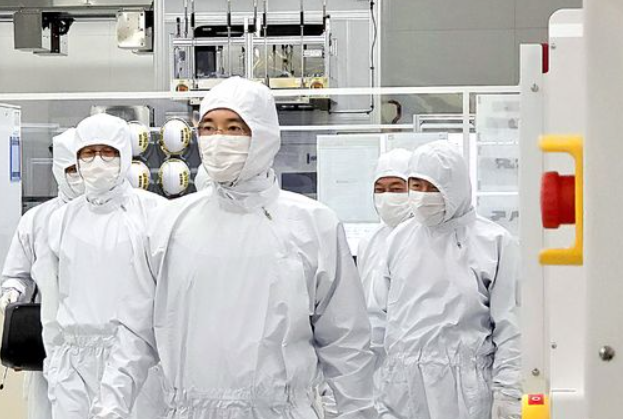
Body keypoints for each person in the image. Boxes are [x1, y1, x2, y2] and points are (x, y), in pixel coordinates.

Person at [93, 76, 378, 419]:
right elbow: (134, 335)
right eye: (208, 127)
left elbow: (346, 343)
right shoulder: (167, 224)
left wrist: (358, 412)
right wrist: (110, 408)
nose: (218, 139)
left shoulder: (313, 225)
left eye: (233, 127)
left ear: (264, 134)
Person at [376, 141, 521, 419]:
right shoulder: (398, 240)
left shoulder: (494, 243)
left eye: (432, 187)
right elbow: (378, 319)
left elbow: (511, 326)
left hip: (468, 393)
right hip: (402, 389)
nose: (422, 196)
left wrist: (509, 392)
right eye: (416, 185)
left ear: (454, 186)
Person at [41, 113, 167, 419]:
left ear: (124, 154)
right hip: (73, 363)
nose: (97, 161)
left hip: (137, 362)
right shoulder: (61, 220)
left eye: (108, 152)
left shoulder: (154, 213)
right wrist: (55, 363)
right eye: (88, 152)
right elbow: (51, 301)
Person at [0, 128, 83, 419]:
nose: (81, 176)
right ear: (58, 170)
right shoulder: (36, 221)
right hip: (49, 349)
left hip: (105, 350)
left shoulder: (120, 217)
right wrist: (12, 295)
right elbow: (17, 275)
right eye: (72, 170)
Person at [357, 148, 412, 368]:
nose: (387, 197)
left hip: (413, 355)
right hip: (373, 357)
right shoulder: (369, 242)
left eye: (396, 188)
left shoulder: (429, 239)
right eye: (379, 190)